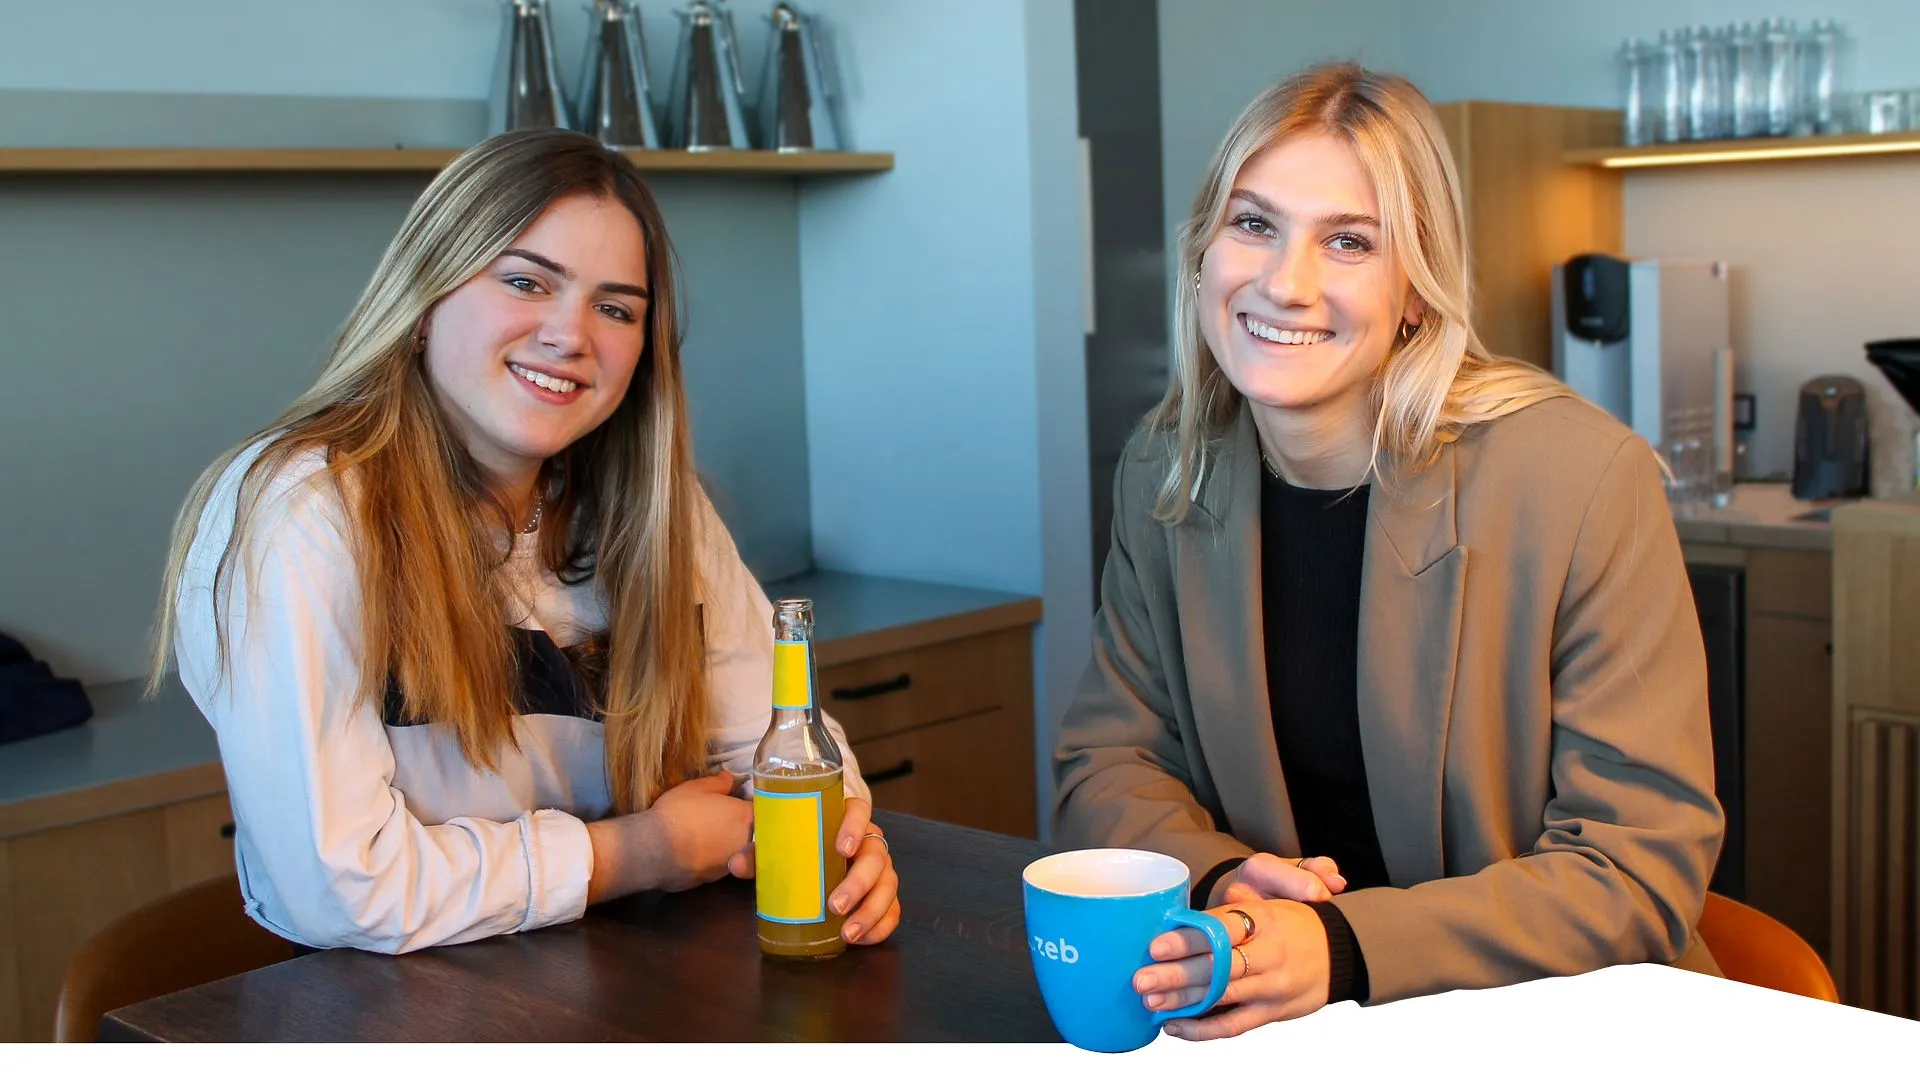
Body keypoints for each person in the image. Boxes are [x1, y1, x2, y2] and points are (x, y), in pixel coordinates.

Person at [1052, 62, 1724, 1039]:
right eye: (1254, 224)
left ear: (1416, 290)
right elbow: (1106, 760)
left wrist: (1343, 948)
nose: (1287, 282)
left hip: (1555, 1030)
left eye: (1350, 242)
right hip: (1276, 1021)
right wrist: (1221, 875)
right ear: (1205, 250)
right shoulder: (1171, 465)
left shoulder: (1578, 479)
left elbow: (1637, 870)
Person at [150, 128, 900, 954]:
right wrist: (642, 852)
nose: (570, 336)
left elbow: (776, 747)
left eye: (615, 308)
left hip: (614, 987)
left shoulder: (662, 512)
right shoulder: (303, 513)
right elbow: (344, 888)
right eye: (525, 282)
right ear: (424, 294)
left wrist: (843, 839)